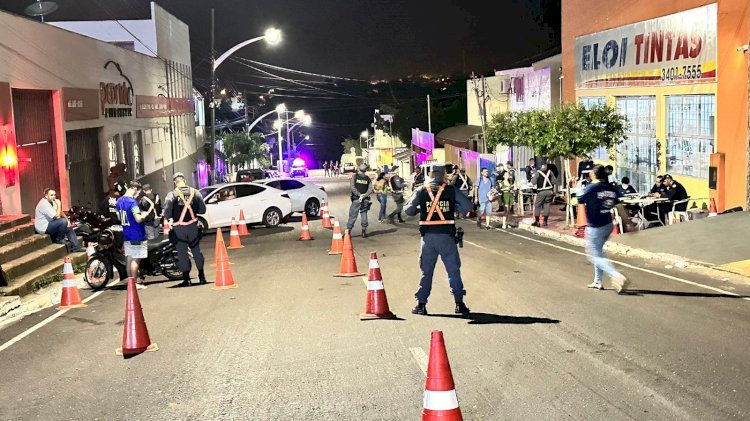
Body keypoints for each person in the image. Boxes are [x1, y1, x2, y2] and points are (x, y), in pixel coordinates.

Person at [404, 163, 473, 316]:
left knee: (426, 271)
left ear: (430, 175)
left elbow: (408, 211)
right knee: (453, 270)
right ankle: (459, 304)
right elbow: (468, 206)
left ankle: (421, 305)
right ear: (443, 175)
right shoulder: (450, 190)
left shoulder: (421, 190)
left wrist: (421, 208)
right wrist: (454, 208)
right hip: (447, 237)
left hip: (428, 238)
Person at [571, 165, 629, 293]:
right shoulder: (611, 187)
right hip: (608, 224)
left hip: (595, 226)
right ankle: (598, 281)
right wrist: (627, 223)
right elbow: (620, 207)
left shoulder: (592, 187)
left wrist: (576, 194)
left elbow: (576, 201)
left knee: (594, 255)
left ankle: (616, 275)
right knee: (598, 252)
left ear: (594, 175)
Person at [164, 172, 208, 287]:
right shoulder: (195, 192)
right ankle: (202, 276)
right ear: (185, 181)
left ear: (175, 182)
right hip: (193, 227)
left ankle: (187, 279)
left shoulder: (171, 195)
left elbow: (167, 214)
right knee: (196, 252)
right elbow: (203, 210)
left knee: (182, 254)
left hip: (179, 229)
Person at [116, 181, 150, 283]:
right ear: (135, 189)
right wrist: (145, 215)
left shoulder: (119, 201)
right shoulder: (132, 202)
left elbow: (119, 216)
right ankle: (135, 283)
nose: (138, 195)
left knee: (129, 259)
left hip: (127, 233)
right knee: (136, 259)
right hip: (137, 234)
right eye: (138, 193)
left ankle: (131, 284)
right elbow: (138, 218)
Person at [34, 188, 82, 252]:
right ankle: (59, 239)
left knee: (68, 227)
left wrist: (67, 219)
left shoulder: (52, 202)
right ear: (46, 196)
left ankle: (76, 248)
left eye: (54, 195)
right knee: (62, 222)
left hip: (51, 223)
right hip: (43, 227)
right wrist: (59, 205)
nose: (53, 196)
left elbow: (60, 212)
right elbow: (57, 216)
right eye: (51, 195)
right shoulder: (44, 204)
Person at [346, 164, 373, 237]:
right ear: (365, 170)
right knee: (364, 214)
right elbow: (370, 189)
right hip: (365, 200)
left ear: (359, 169)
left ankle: (348, 232)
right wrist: (364, 195)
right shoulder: (368, 179)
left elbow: (352, 187)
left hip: (356, 199)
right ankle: (364, 232)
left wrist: (359, 194)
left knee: (352, 216)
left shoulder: (355, 177)